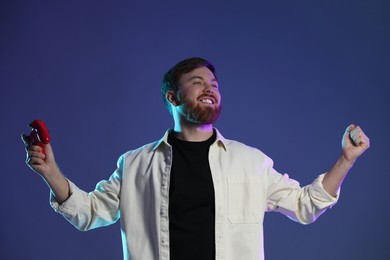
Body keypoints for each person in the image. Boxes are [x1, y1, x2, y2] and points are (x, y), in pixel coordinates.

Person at [22, 57, 370, 260]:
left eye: (214, 84)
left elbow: (306, 205)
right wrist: (51, 172)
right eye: (197, 82)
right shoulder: (135, 164)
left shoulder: (250, 161)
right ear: (173, 97)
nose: (210, 88)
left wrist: (346, 159)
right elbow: (90, 213)